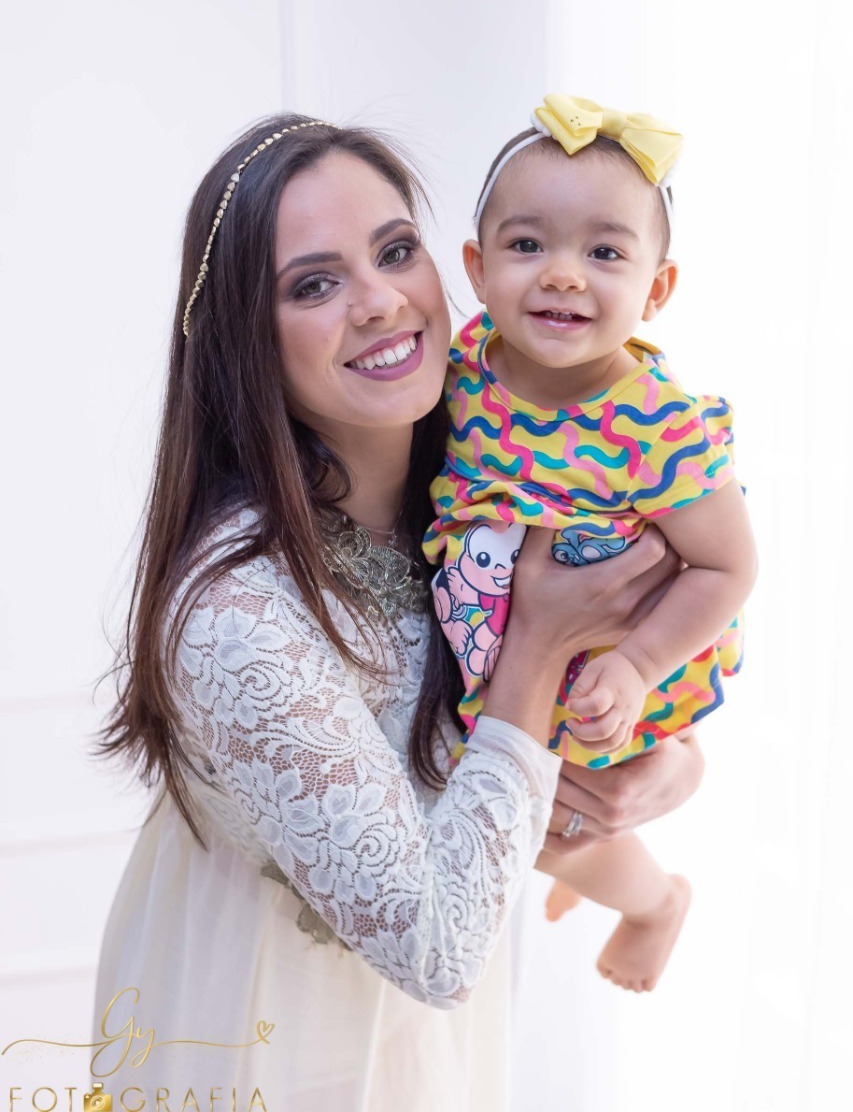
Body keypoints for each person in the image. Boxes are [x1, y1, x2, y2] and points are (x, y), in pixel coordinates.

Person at [91, 113, 706, 1110]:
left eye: (393, 250)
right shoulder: (236, 608)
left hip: (423, 1046)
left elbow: (666, 627)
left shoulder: (487, 472)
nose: (380, 302)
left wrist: (668, 763)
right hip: (270, 1034)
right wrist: (542, 643)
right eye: (314, 282)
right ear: (246, 334)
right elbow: (437, 944)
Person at [425, 94, 758, 993]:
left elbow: (729, 565)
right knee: (502, 815)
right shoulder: (465, 366)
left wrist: (640, 666)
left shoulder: (659, 426)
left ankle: (651, 903)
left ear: (656, 289)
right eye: (527, 245)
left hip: (610, 658)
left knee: (542, 826)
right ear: (478, 267)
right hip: (503, 635)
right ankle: (609, 880)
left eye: (604, 252)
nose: (563, 275)